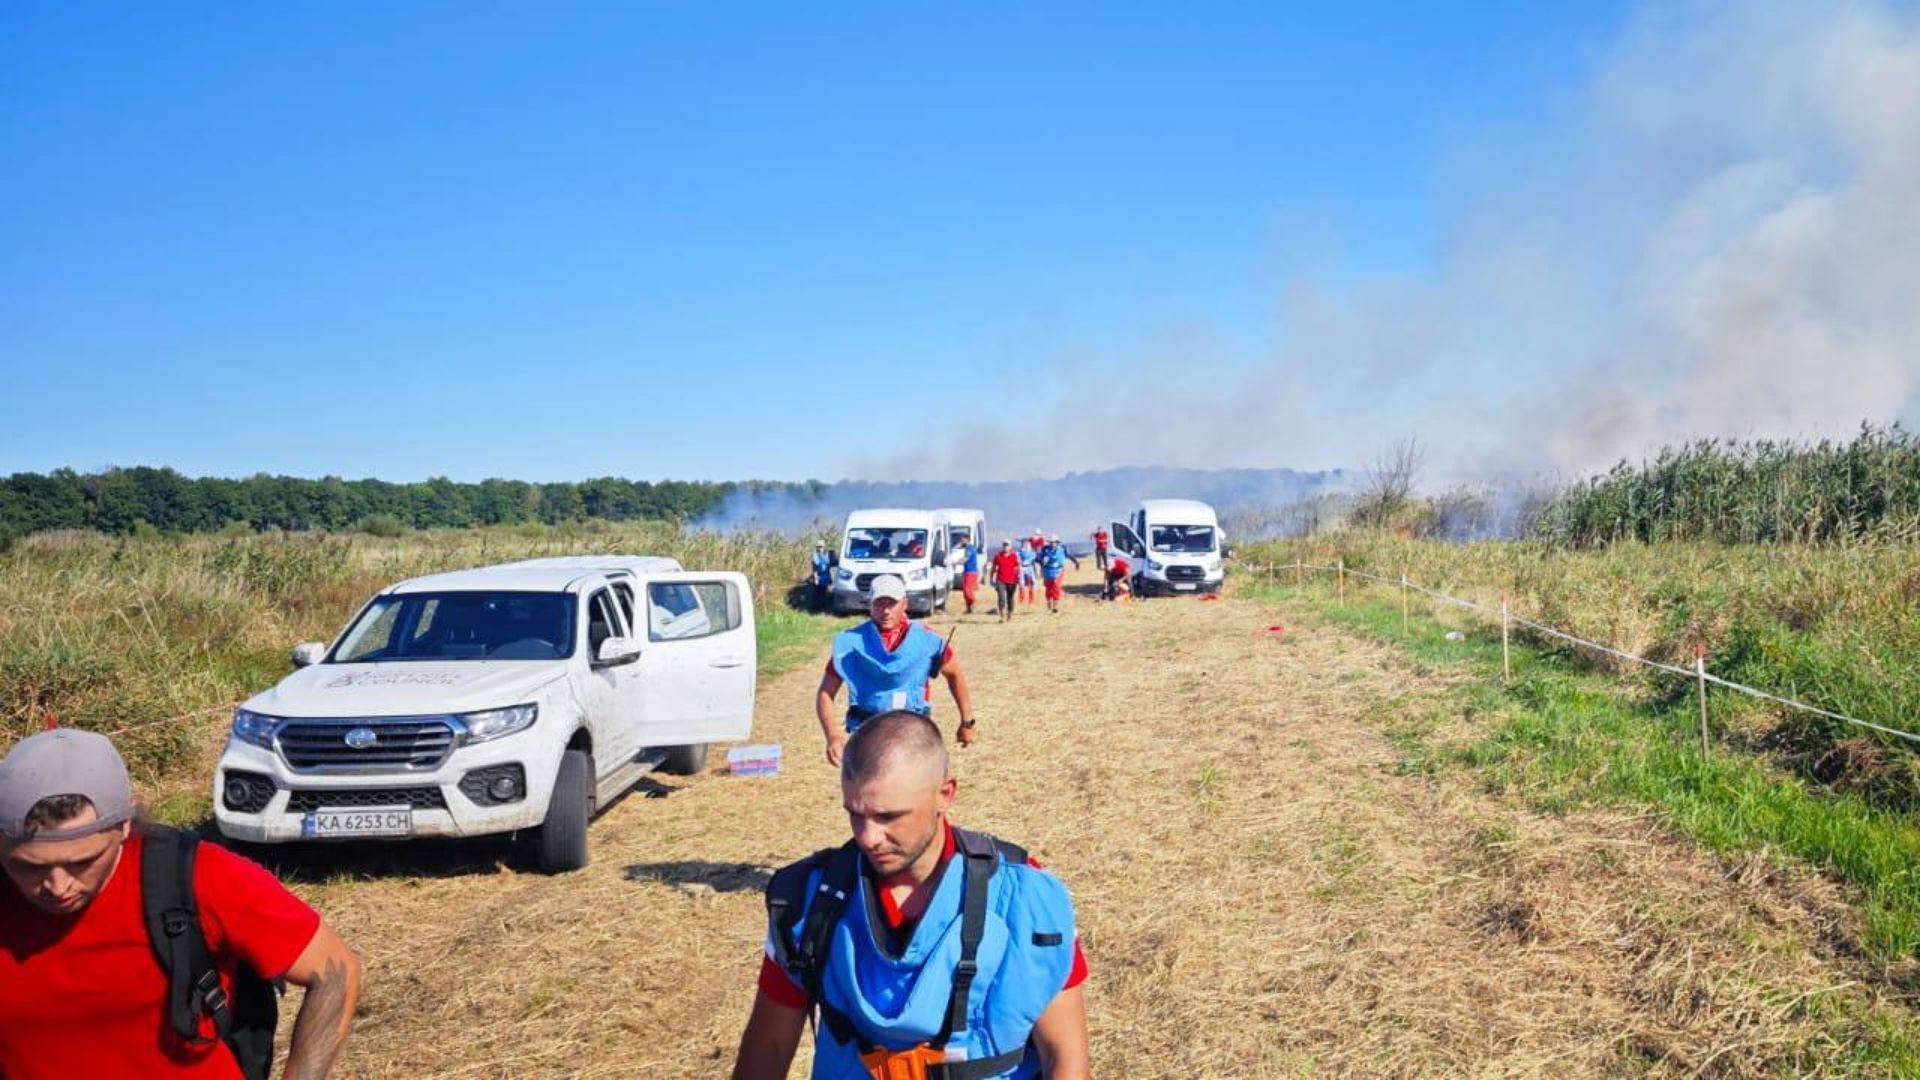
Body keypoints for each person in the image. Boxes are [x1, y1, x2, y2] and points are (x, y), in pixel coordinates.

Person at [731, 711, 1091, 1080]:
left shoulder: (1025, 898)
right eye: (855, 814)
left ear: (944, 795)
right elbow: (769, 1049)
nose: (867, 837)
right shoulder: (807, 904)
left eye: (888, 816)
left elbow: (1065, 1056)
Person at [0, 728, 363, 1079]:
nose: (57, 885)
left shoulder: (196, 876)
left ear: (125, 824)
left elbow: (334, 972)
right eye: (29, 866)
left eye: (82, 862)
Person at [815, 575, 976, 767]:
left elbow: (954, 675)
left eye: (892, 603)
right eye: (879, 603)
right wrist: (832, 735)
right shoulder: (852, 643)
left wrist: (967, 722)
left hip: (914, 735)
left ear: (905, 604)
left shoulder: (927, 641)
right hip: (867, 734)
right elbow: (826, 692)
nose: (886, 610)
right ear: (870, 604)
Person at [1039, 534, 1080, 614]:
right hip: (1047, 571)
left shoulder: (1063, 549)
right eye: (1050, 542)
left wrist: (1076, 563)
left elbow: (1070, 555)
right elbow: (1039, 559)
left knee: (1056, 587)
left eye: (1053, 542)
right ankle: (1049, 602)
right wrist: (1042, 563)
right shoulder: (1045, 549)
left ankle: (1055, 605)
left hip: (1058, 570)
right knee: (1049, 588)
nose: (1052, 544)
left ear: (1057, 542)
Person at [990, 539, 1021, 622]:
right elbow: (993, 568)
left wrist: (1019, 577)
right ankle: (1002, 616)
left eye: (1007, 545)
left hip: (1012, 580)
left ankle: (1010, 614)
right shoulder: (998, 556)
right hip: (1000, 580)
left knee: (1010, 598)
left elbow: (1018, 567)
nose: (1005, 547)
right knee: (1001, 597)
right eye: (1004, 545)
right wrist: (991, 578)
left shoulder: (1014, 556)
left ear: (1010, 547)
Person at [957, 536, 981, 615]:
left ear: (967, 540)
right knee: (965, 591)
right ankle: (968, 608)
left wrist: (956, 562)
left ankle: (973, 603)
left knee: (968, 590)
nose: (961, 542)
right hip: (967, 571)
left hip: (971, 572)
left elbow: (966, 559)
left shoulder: (970, 549)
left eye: (962, 540)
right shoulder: (967, 548)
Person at [810, 543, 834, 613]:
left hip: (826, 576)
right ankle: (817, 608)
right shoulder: (815, 556)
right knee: (818, 593)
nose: (820, 548)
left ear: (824, 547)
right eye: (819, 547)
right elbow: (814, 569)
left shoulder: (826, 556)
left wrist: (830, 579)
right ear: (817, 548)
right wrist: (816, 579)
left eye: (822, 547)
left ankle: (824, 608)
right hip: (819, 576)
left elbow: (828, 568)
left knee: (825, 592)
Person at [1016, 541, 1038, 607]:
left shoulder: (1032, 553)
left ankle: (1032, 600)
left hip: (1029, 568)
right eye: (1024, 545)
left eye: (1027, 545)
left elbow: (1031, 558)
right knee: (1021, 584)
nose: (1025, 546)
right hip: (1022, 568)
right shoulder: (1019, 553)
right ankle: (1021, 599)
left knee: (1031, 583)